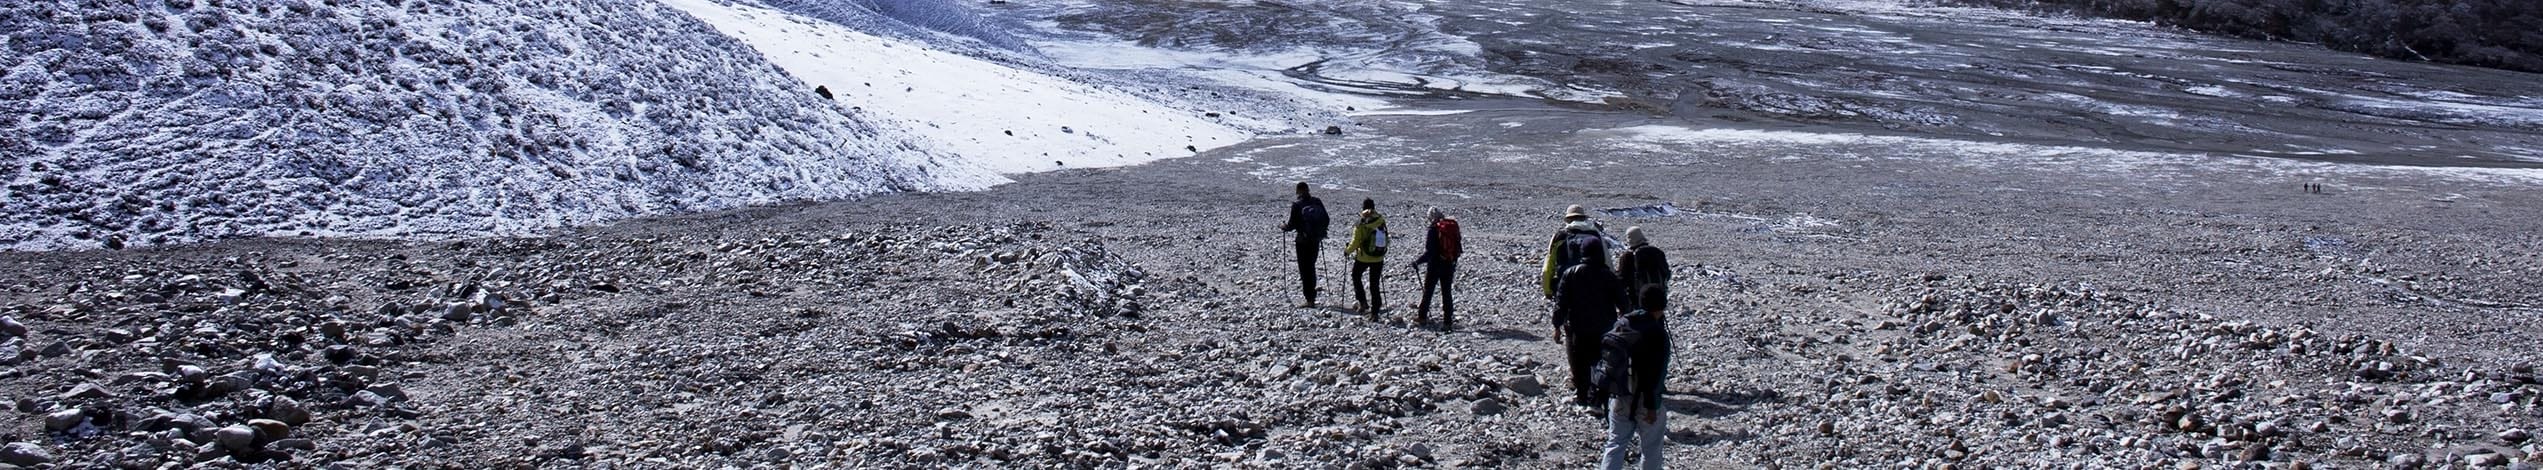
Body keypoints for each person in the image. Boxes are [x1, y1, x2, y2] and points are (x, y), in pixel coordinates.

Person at [1598, 285, 1673, 470]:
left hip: (1619, 393)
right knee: (1651, 449)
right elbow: (1656, 374)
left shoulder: (1623, 323)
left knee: (1615, 443)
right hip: (1644, 400)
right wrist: (1652, 406)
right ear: (1662, 305)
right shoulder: (1657, 333)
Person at [1553, 234, 1626, 407]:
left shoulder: (1570, 274)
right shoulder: (1608, 275)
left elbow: (1561, 303)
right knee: (1600, 362)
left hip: (1577, 328)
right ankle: (1598, 397)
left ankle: (1582, 396)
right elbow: (1623, 302)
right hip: (1604, 326)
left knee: (1578, 362)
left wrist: (1556, 326)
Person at [1277, 182, 1329, 308]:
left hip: (1302, 241)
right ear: (1308, 190)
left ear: (1298, 191)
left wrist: (1283, 227)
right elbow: (1327, 219)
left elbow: (1291, 225)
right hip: (1315, 240)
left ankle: (1310, 299)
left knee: (1304, 269)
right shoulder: (1317, 201)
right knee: (1311, 266)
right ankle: (1312, 294)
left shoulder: (1297, 205)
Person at [1541, 205, 1609, 299]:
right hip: (1593, 286)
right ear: (1584, 218)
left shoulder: (1560, 236)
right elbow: (1607, 262)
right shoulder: (1595, 235)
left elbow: (1548, 267)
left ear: (1567, 220)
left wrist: (1547, 290)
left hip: (1566, 286)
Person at [1410, 207, 1462, 330]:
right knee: (1446, 293)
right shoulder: (1451, 228)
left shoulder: (1433, 229)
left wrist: (1417, 262)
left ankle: (1422, 317)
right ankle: (1447, 321)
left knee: (1428, 291)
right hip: (1449, 264)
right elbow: (1458, 248)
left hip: (1435, 265)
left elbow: (1430, 252)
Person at [1344, 198, 1388, 320]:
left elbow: (1355, 241)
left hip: (1363, 257)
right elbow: (1385, 237)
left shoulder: (1361, 222)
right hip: (1378, 257)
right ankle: (1375, 312)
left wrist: (1347, 251)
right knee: (1375, 284)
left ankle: (1363, 302)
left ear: (1363, 207)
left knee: (1356, 276)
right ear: (1374, 207)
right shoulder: (1380, 220)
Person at [1616, 227, 1670, 310]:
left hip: (1637, 301)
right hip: (1658, 300)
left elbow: (1621, 281)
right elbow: (1667, 274)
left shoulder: (1627, 257)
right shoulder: (1658, 253)